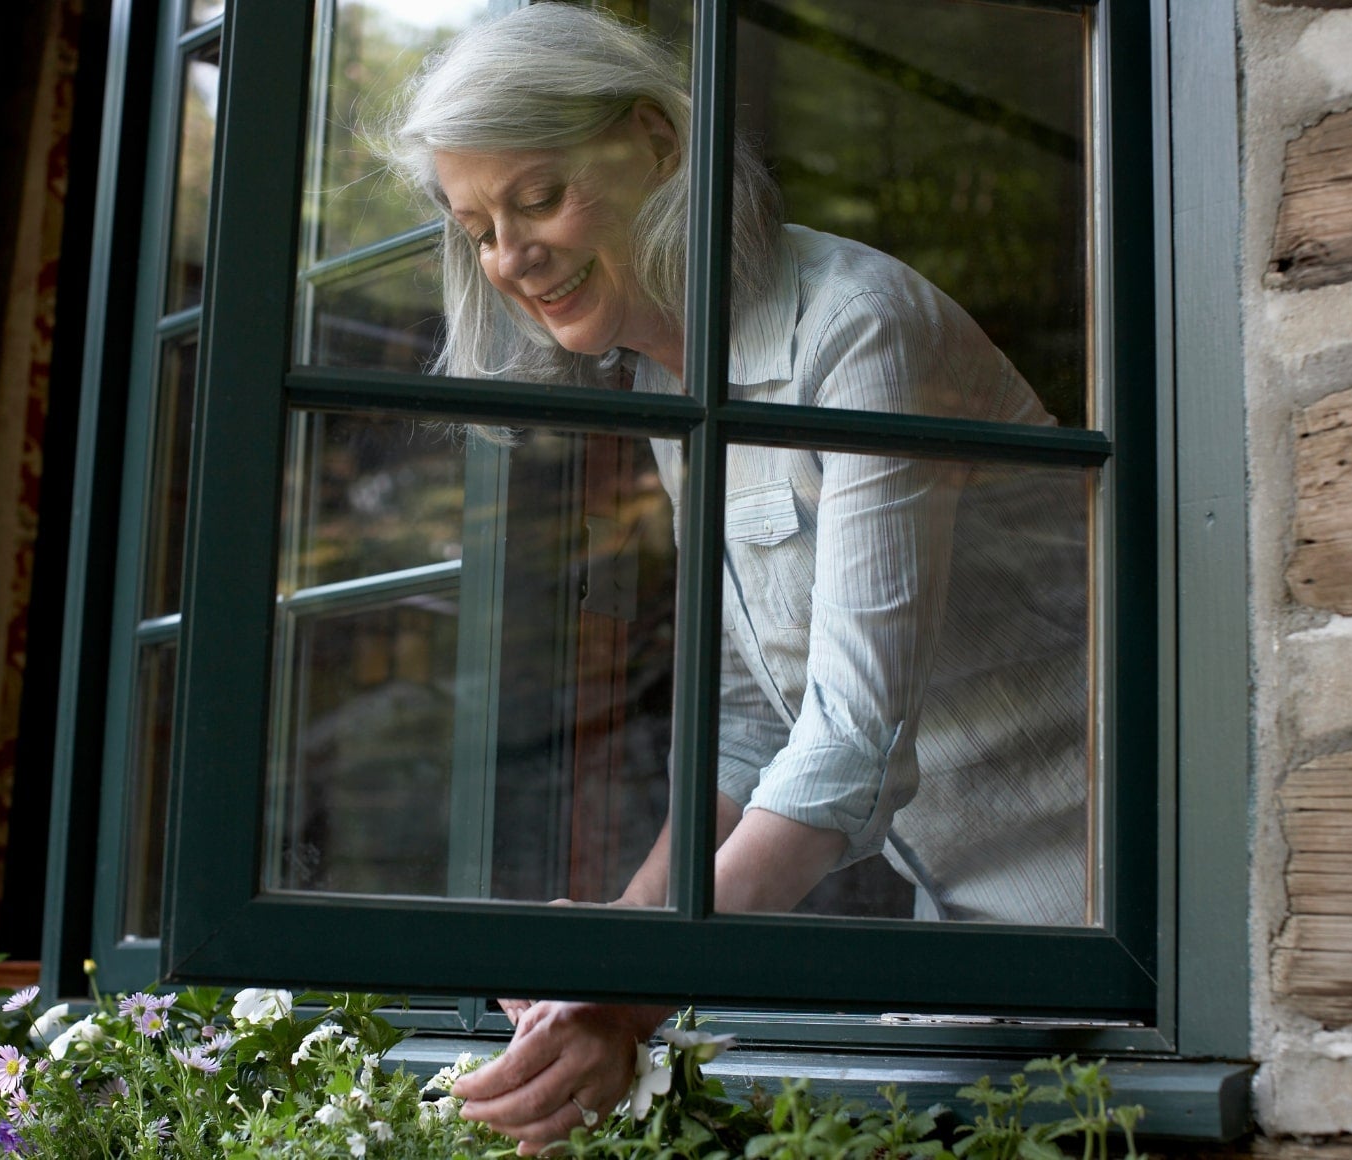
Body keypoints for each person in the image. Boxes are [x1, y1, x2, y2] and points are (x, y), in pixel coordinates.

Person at [378, 3, 1088, 1151]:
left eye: (538, 197)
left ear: (657, 142)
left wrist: (636, 986)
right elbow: (757, 721)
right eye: (479, 228)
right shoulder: (681, 379)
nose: (510, 256)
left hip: (1107, 924)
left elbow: (853, 739)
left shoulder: (857, 328)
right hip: (970, 946)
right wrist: (619, 932)